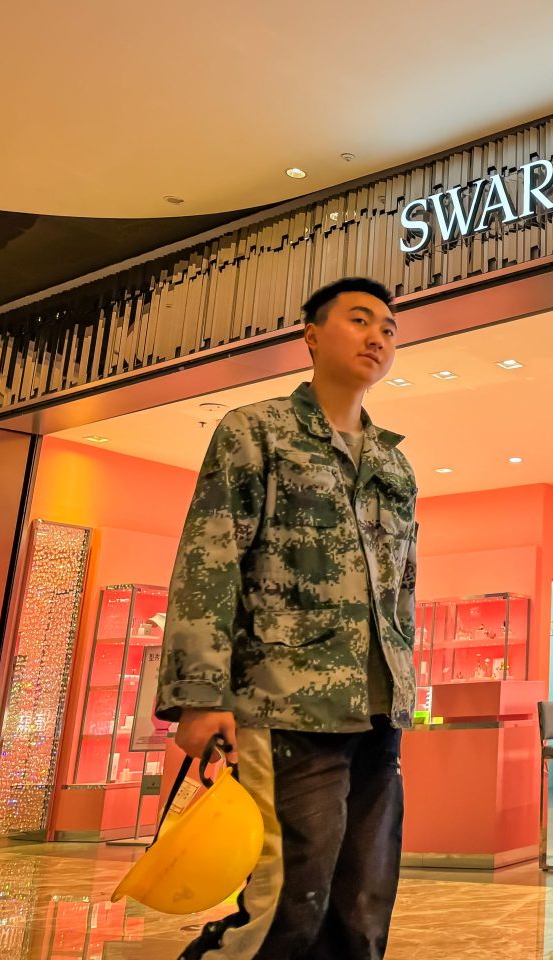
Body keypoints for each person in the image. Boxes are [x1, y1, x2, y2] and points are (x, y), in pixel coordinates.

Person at [156, 277, 419, 960]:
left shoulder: (394, 461)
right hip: (286, 705)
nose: (377, 337)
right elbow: (210, 561)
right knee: (286, 907)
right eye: (360, 321)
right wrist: (199, 696)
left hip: (379, 710)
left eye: (388, 328)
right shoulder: (256, 433)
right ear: (310, 335)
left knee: (361, 910)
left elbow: (401, 592)